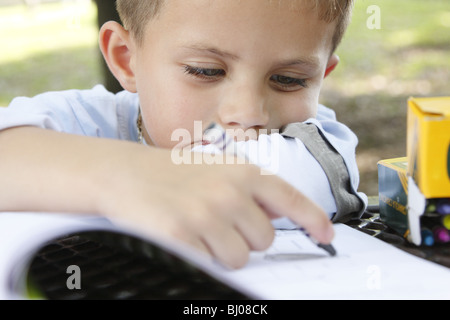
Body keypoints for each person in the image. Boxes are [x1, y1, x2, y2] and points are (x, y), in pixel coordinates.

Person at [0, 0, 366, 269]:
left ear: (321, 77)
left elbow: (306, 185)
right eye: (206, 71)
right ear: (127, 59)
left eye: (288, 80)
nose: (248, 114)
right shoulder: (82, 123)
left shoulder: (314, 141)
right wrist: (128, 175)